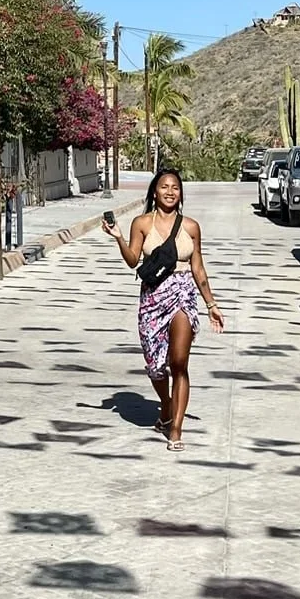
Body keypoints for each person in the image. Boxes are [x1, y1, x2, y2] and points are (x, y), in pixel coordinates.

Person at [102, 167, 224, 449]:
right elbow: (133, 260)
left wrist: (211, 304)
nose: (170, 192)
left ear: (181, 194)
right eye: (164, 187)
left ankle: (176, 430)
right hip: (153, 299)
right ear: (154, 192)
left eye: (175, 188)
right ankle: (166, 404)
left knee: (179, 363)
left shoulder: (191, 227)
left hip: (182, 295)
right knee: (156, 366)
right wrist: (119, 237)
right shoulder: (142, 223)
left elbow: (198, 268)